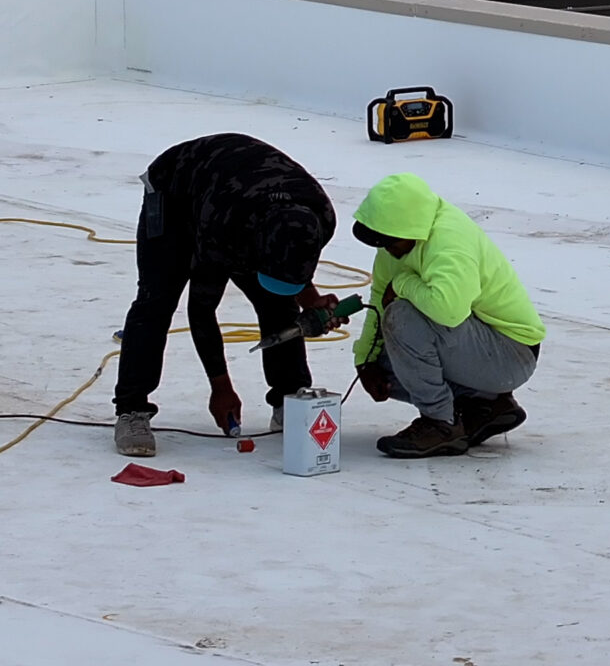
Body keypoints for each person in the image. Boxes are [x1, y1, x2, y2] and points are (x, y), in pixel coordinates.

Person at [113, 133, 344, 457]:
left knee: (278, 303)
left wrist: (312, 300)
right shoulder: (223, 231)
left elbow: (293, 262)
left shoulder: (320, 218)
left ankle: (290, 398)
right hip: (176, 190)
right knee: (157, 300)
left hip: (237, 193)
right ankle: (131, 410)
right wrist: (220, 387)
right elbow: (201, 310)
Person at [350, 171, 546, 458]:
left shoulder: (449, 242)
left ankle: (441, 424)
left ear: (409, 229)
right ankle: (486, 405)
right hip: (480, 348)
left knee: (401, 317)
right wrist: (364, 362)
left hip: (511, 353)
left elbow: (449, 311)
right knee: (385, 365)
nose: (388, 251)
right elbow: (379, 301)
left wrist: (402, 283)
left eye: (391, 243)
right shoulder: (396, 245)